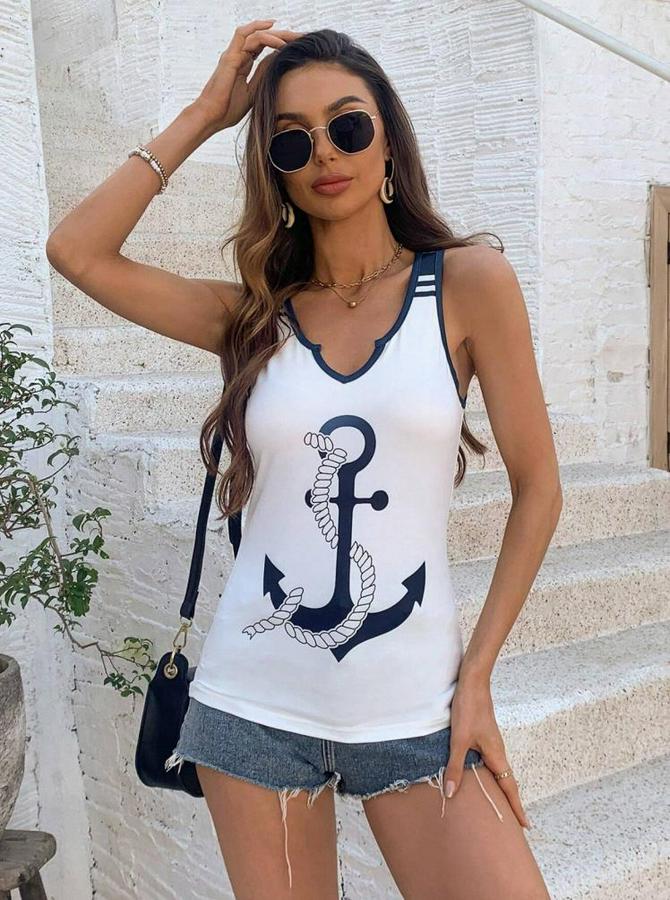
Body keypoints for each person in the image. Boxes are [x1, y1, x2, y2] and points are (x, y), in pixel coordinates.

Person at [46, 19, 560, 900]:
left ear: (389, 141)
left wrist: (476, 676)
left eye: (348, 126)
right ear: (275, 170)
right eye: (292, 139)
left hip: (418, 708)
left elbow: (539, 489)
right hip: (254, 705)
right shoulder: (254, 316)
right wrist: (205, 114)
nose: (324, 151)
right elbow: (76, 252)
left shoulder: (469, 284)